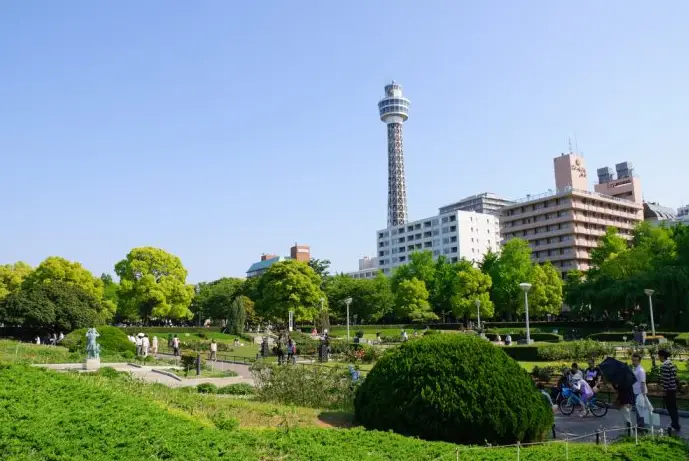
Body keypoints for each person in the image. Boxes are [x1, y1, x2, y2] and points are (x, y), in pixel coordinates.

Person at [659, 349, 681, 433]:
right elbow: (675, 376)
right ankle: (675, 424)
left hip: (668, 390)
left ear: (661, 356)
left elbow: (666, 380)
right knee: (674, 408)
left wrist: (664, 391)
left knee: (671, 408)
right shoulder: (671, 363)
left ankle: (675, 425)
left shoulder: (664, 365)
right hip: (673, 388)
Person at [631, 352, 648, 430]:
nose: (633, 362)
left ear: (639, 361)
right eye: (633, 360)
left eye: (635, 360)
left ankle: (641, 426)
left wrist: (643, 394)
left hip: (640, 392)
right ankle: (639, 425)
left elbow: (643, 383)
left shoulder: (640, 370)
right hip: (635, 391)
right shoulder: (635, 369)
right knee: (638, 410)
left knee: (640, 410)